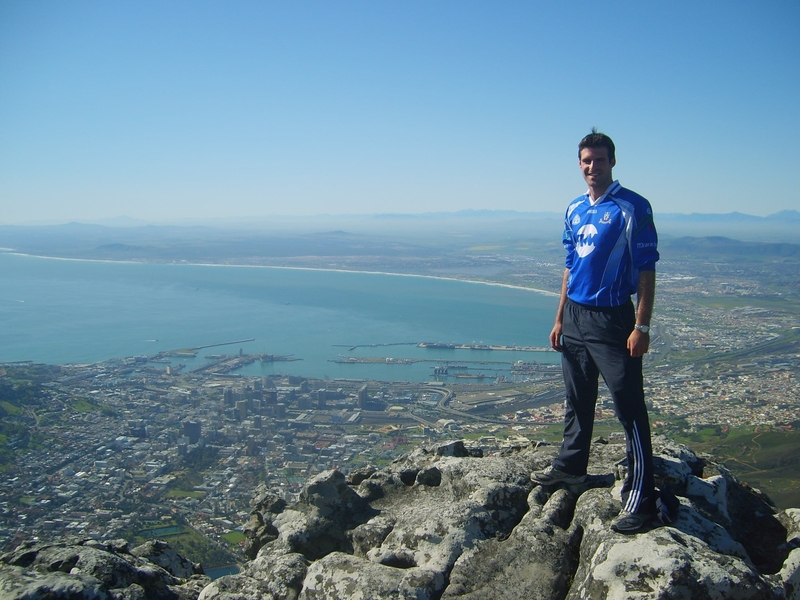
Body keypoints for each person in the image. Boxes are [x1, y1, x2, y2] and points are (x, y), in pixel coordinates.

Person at [532, 129, 659, 534]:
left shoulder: (632, 207)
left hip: (612, 320)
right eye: (586, 160)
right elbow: (570, 266)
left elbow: (646, 269)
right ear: (579, 163)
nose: (592, 167)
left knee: (628, 407)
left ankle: (643, 500)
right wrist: (559, 318)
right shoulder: (573, 208)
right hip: (575, 316)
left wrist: (642, 324)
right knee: (577, 397)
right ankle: (570, 470)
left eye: (599, 160)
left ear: (612, 162)